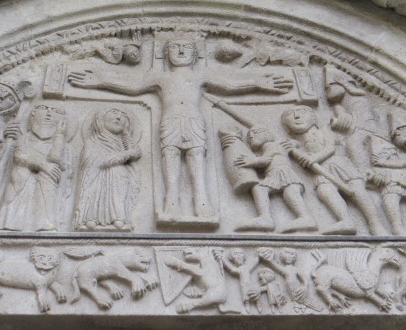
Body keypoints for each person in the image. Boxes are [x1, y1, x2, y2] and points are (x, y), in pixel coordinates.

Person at [69, 32, 291, 222]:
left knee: (197, 157)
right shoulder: (161, 77)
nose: (181, 51)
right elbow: (134, 86)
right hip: (171, 121)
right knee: (171, 157)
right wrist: (100, 80)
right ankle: (171, 200)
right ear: (166, 53)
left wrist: (258, 83)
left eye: (187, 47)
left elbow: (230, 85)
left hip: (194, 121)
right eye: (175, 47)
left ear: (195, 54)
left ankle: (201, 200)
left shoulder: (200, 75)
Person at [282, 105, 387, 235]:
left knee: (358, 191)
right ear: (286, 126)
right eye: (290, 114)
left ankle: (375, 223)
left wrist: (314, 158)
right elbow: (295, 150)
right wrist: (293, 149)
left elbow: (330, 148)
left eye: (302, 112)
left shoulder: (324, 131)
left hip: (339, 164)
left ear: (314, 118)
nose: (296, 116)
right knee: (324, 190)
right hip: (321, 170)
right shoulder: (296, 142)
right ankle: (346, 221)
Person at [0, 104, 70, 232]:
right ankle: (10, 223)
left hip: (46, 183)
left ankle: (44, 224)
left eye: (56, 110)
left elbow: (55, 158)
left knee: (49, 176)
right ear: (33, 114)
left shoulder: (61, 144)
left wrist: (59, 135)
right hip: (21, 180)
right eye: (43, 108)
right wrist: (42, 165)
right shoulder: (25, 138)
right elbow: (18, 156)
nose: (49, 114)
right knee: (22, 171)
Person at [74, 107, 142, 231]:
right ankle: (91, 219)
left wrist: (126, 134)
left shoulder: (121, 144)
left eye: (123, 115)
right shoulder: (92, 142)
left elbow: (135, 152)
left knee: (118, 172)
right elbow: (100, 162)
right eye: (114, 112)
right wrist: (127, 154)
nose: (119, 117)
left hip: (119, 183)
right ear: (101, 119)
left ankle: (118, 219)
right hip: (97, 186)